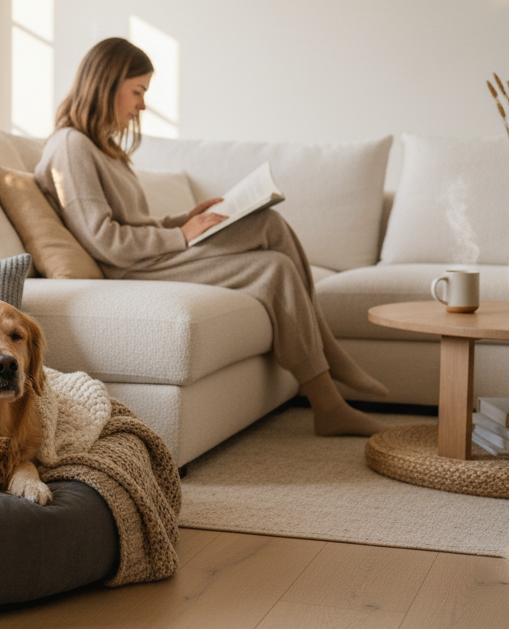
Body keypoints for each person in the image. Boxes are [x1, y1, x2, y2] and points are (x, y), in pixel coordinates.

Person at [35, 37, 388, 437]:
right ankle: (329, 368)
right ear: (106, 84)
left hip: (147, 257)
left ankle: (328, 403)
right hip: (129, 270)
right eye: (138, 91)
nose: (142, 105)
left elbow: (131, 222)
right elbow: (105, 240)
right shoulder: (70, 146)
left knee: (274, 267)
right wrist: (183, 236)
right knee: (267, 227)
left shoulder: (101, 147)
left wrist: (186, 218)